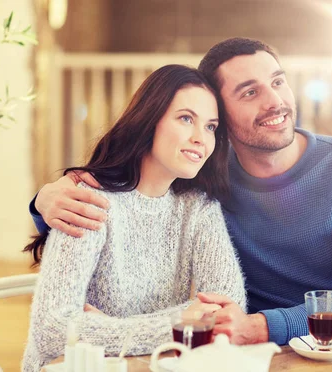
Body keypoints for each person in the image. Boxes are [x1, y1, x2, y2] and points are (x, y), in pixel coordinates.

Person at [30, 38, 332, 348]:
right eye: (250, 92)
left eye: (278, 82)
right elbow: (132, 199)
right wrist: (44, 201)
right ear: (223, 118)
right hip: (245, 355)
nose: (275, 101)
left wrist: (256, 326)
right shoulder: (207, 179)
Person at [21, 64, 246, 372]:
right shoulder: (88, 199)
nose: (200, 138)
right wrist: (177, 323)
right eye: (185, 119)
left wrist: (107, 330)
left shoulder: (199, 207)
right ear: (149, 120)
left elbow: (227, 308)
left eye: (210, 127)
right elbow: (52, 332)